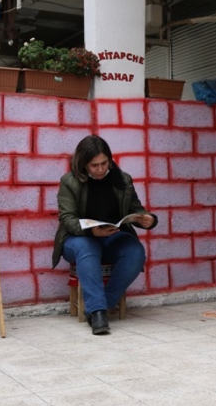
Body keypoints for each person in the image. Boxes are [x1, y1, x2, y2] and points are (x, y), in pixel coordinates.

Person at [52, 135, 157, 335]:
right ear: (83, 164)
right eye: (94, 165)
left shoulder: (122, 179)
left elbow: (136, 208)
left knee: (135, 251)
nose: (100, 169)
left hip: (112, 236)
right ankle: (99, 312)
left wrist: (148, 219)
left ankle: (100, 305)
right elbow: (66, 217)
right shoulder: (69, 181)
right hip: (77, 240)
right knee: (87, 247)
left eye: (104, 163)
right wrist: (91, 230)